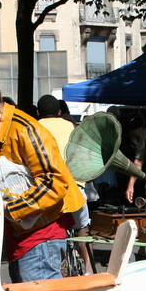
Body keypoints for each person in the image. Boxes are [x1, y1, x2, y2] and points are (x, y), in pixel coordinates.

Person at [0, 78, 85, 283]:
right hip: (24, 235)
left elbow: (54, 182)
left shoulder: (23, 129)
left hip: (40, 236)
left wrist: (10, 208)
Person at [36, 94, 92, 273]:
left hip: (48, 189)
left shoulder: (34, 126)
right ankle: (90, 268)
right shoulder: (70, 126)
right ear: (59, 112)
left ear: (38, 112)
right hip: (75, 185)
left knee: (51, 230)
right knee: (83, 227)